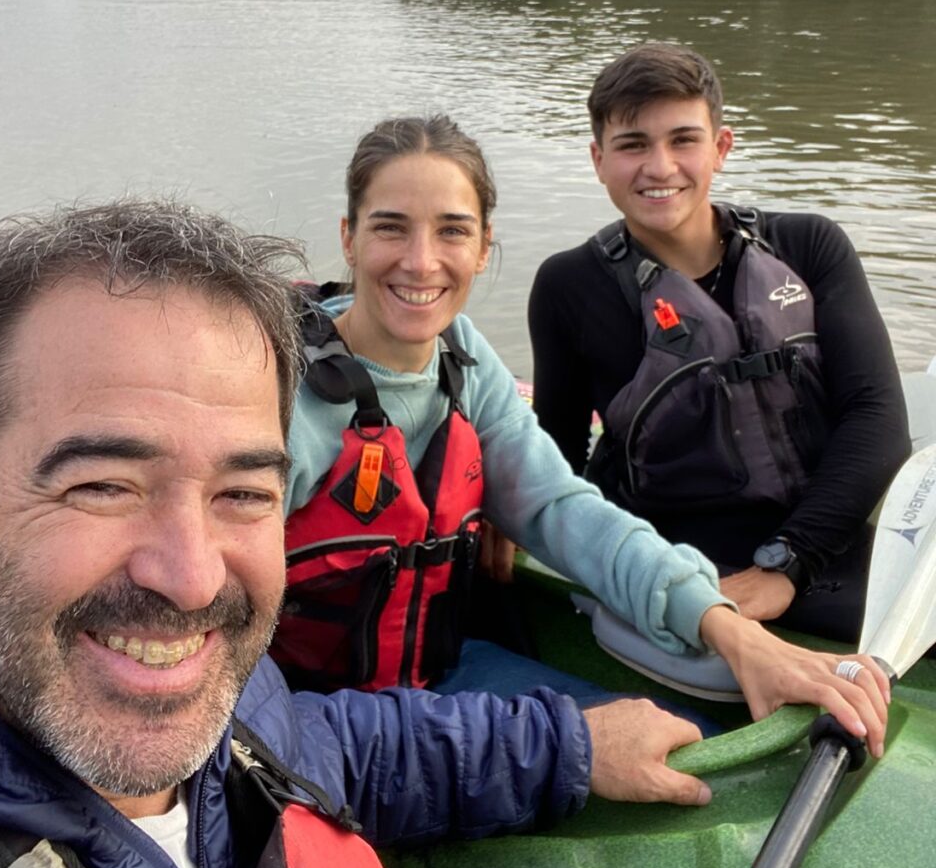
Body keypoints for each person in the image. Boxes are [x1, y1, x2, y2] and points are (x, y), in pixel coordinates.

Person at [0, 199, 652, 868]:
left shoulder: (237, 719)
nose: (194, 579)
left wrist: (566, 745)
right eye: (104, 485)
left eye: (243, 493)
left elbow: (328, 747)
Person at [271, 115, 888, 740]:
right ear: (349, 239)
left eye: (452, 231)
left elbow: (562, 511)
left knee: (684, 737)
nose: (421, 261)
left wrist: (724, 625)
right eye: (390, 228)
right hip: (304, 718)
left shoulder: (463, 359)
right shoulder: (279, 399)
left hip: (440, 676)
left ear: (484, 247)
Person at [528, 42, 912, 644]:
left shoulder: (810, 245)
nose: (659, 167)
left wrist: (791, 559)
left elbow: (877, 417)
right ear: (599, 159)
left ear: (721, 147)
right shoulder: (567, 285)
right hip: (679, 553)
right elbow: (555, 455)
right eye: (632, 145)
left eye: (683, 139)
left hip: (826, 528)